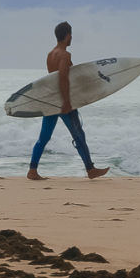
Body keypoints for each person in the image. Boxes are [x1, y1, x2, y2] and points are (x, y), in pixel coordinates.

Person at [26, 22, 109, 180]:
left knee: (43, 138)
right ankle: (90, 169)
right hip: (63, 102)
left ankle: (32, 170)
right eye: (71, 34)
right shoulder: (65, 55)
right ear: (67, 35)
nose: (72, 37)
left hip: (51, 101)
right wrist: (66, 102)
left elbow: (54, 78)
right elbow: (63, 78)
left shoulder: (50, 54)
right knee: (79, 135)